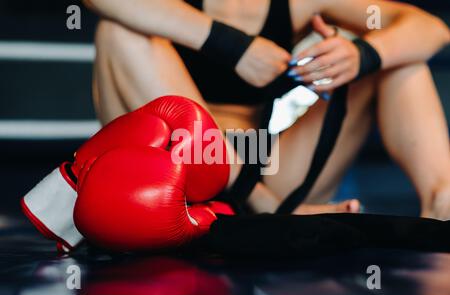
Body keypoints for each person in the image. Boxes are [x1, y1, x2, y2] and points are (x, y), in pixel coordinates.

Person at [83, 0, 450, 219]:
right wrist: (232, 46)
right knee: (119, 30)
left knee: (400, 58)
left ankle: (441, 202)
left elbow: (430, 28)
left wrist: (360, 55)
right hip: (165, 171)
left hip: (262, 168)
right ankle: (265, 208)